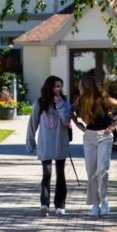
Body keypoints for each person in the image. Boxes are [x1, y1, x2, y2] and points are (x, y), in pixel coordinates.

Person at [73, 74, 117, 217]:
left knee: (101, 170)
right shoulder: (81, 101)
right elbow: (72, 114)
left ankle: (105, 202)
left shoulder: (104, 99)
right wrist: (79, 125)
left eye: (81, 85)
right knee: (91, 172)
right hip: (89, 137)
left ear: (86, 86)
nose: (79, 87)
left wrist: (114, 125)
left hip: (104, 136)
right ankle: (95, 205)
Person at [26, 75, 73, 216]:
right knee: (46, 174)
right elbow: (32, 124)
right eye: (56, 86)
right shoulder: (39, 104)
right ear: (49, 87)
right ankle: (44, 204)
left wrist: (59, 105)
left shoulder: (65, 102)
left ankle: (60, 205)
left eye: (60, 86)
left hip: (60, 144)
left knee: (61, 175)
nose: (58, 89)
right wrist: (30, 143)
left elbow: (66, 120)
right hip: (45, 144)